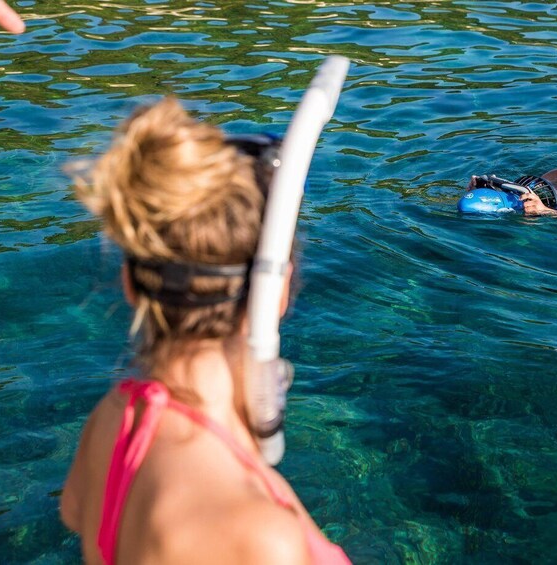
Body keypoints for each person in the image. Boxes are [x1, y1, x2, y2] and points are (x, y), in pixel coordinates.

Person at [60, 97, 351, 564]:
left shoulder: (115, 420)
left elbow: (78, 514)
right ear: (276, 295)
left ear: (131, 285)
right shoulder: (258, 538)